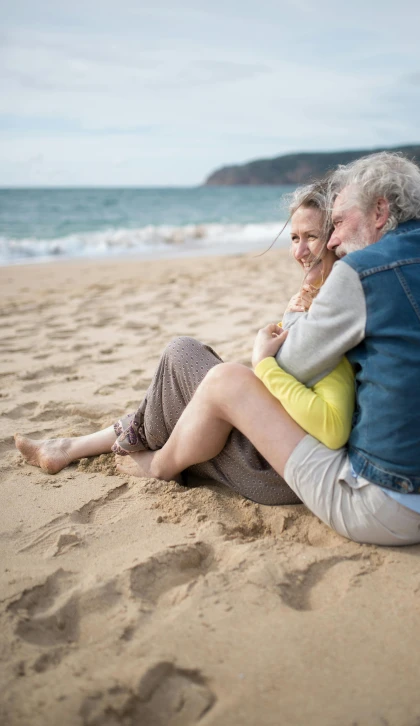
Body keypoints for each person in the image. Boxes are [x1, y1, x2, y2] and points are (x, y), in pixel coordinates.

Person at [110, 152, 420, 546]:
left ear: (380, 211)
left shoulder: (363, 271)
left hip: (394, 506)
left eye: (337, 223)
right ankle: (119, 436)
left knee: (226, 379)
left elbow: (288, 363)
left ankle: (157, 463)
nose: (333, 239)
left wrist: (264, 353)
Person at [14, 181, 354, 505]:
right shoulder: (316, 297)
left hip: (273, 467)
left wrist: (264, 363)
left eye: (312, 236)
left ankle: (141, 456)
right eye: (294, 237)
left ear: (335, 239)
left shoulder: (332, 315)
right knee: (183, 382)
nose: (299, 250)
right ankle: (68, 447)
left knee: (182, 357)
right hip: (266, 444)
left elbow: (330, 423)